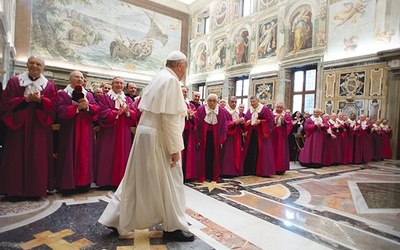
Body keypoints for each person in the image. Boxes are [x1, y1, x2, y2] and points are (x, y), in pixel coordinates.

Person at [98, 51, 194, 242]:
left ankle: (115, 218)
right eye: (185, 68)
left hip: (145, 135)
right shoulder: (172, 81)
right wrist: (175, 148)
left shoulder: (158, 77)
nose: (184, 72)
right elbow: (170, 118)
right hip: (159, 136)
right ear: (180, 65)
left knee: (135, 178)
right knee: (172, 180)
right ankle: (173, 227)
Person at [0, 56, 58, 199]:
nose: (35, 66)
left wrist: (41, 100)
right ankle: (14, 189)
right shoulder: (15, 82)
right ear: (27, 65)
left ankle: (36, 189)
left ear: (43, 68)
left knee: (38, 156)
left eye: (38, 64)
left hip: (39, 127)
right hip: (19, 125)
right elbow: (5, 101)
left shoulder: (49, 86)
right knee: (15, 155)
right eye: (32, 63)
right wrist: (24, 100)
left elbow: (54, 105)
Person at [55, 71, 99, 193]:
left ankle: (83, 183)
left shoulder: (88, 95)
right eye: (76, 77)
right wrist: (76, 108)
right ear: (70, 79)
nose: (79, 79)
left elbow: (96, 109)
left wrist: (88, 106)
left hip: (85, 128)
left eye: (81, 77)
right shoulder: (63, 94)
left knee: (85, 154)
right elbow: (60, 111)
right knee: (69, 152)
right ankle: (67, 183)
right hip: (69, 129)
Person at [95, 77, 137, 188]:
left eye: (121, 83)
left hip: (124, 131)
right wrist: (116, 113)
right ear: (112, 84)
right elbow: (102, 111)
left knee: (123, 154)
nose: (119, 85)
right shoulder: (105, 97)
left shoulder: (128, 100)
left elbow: (134, 113)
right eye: (117, 83)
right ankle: (105, 181)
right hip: (110, 131)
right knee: (107, 153)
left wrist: (128, 113)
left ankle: (121, 181)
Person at [195, 94, 228, 182]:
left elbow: (224, 126)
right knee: (204, 155)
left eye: (214, 101)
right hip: (204, 136)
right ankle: (203, 174)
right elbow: (197, 124)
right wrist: (197, 137)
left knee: (214, 155)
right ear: (207, 101)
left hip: (215, 136)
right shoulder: (201, 109)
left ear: (217, 102)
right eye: (209, 100)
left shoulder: (221, 111)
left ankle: (212, 175)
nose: (211, 103)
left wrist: (222, 139)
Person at [241, 95, 275, 176]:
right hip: (251, 134)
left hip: (261, 134)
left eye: (254, 101)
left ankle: (262, 171)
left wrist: (261, 122)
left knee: (262, 151)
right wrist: (247, 122)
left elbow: (270, 120)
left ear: (258, 101)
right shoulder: (249, 110)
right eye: (251, 102)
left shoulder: (264, 109)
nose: (252, 103)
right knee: (250, 150)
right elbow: (246, 121)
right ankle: (249, 170)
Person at [221, 96, 245, 177]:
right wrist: (234, 122)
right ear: (228, 102)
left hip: (237, 135)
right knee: (228, 153)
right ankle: (227, 171)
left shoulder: (238, 112)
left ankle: (236, 170)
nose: (234, 103)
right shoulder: (224, 111)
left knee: (237, 153)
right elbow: (223, 124)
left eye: (235, 102)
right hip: (228, 136)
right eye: (232, 102)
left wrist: (243, 123)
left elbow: (242, 126)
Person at [181, 86, 198, 182]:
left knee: (188, 154)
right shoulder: (175, 103)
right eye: (182, 91)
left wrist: (191, 117)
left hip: (188, 132)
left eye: (185, 92)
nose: (184, 93)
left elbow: (196, 119)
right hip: (179, 131)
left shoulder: (190, 105)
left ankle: (187, 174)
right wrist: (184, 114)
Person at [271, 102, 292, 174]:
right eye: (278, 107)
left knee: (281, 150)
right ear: (275, 107)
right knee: (272, 150)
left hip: (282, 135)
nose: (279, 109)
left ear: (283, 108)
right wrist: (274, 120)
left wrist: (284, 122)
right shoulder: (271, 114)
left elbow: (289, 125)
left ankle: (281, 168)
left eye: (281, 108)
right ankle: (272, 167)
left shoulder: (286, 115)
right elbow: (267, 124)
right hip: (272, 135)